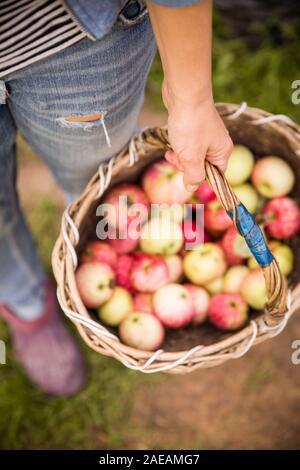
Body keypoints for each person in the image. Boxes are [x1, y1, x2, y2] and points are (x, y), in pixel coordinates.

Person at [0, 0, 233, 395]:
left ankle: (90, 244)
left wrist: (192, 99)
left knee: (97, 187)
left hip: (74, 36)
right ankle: (26, 302)